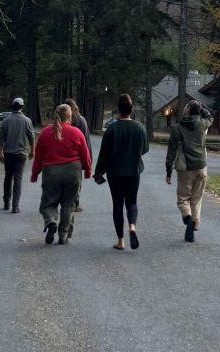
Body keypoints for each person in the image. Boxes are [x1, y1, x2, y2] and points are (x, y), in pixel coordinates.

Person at [31, 103, 92, 245]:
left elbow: (38, 157)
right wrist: (88, 171)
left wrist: (35, 174)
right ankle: (63, 235)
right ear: (70, 116)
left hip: (51, 172)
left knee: (48, 203)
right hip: (73, 172)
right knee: (69, 204)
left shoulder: (45, 133)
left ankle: (51, 221)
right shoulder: (77, 133)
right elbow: (86, 156)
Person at [94, 93, 148, 251]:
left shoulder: (112, 129)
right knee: (132, 202)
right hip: (133, 171)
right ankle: (132, 226)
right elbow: (144, 149)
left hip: (115, 172)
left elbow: (104, 153)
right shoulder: (140, 128)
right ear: (131, 110)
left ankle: (121, 241)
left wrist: (99, 173)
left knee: (117, 204)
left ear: (118, 109)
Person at [165, 100, 213, 243]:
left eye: (186, 106)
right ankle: (193, 224)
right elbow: (210, 117)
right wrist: (201, 107)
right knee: (196, 199)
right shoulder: (203, 124)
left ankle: (188, 218)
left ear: (187, 111)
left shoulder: (177, 128)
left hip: (185, 168)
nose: (184, 107)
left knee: (183, 199)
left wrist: (168, 171)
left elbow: (171, 151)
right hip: (201, 167)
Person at [0, 97, 35, 213]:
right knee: (18, 179)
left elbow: (1, 138)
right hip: (21, 154)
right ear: (22, 107)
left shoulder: (6, 120)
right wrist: (32, 150)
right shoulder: (27, 120)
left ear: (12, 106)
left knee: (8, 177)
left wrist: (0, 152)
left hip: (8, 153)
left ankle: (6, 202)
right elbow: (31, 136)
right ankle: (15, 206)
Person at [65, 98, 92, 212]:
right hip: (77, 157)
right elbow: (86, 140)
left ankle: (66, 201)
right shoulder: (81, 120)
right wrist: (89, 158)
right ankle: (74, 203)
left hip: (64, 155)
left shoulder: (61, 121)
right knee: (76, 181)